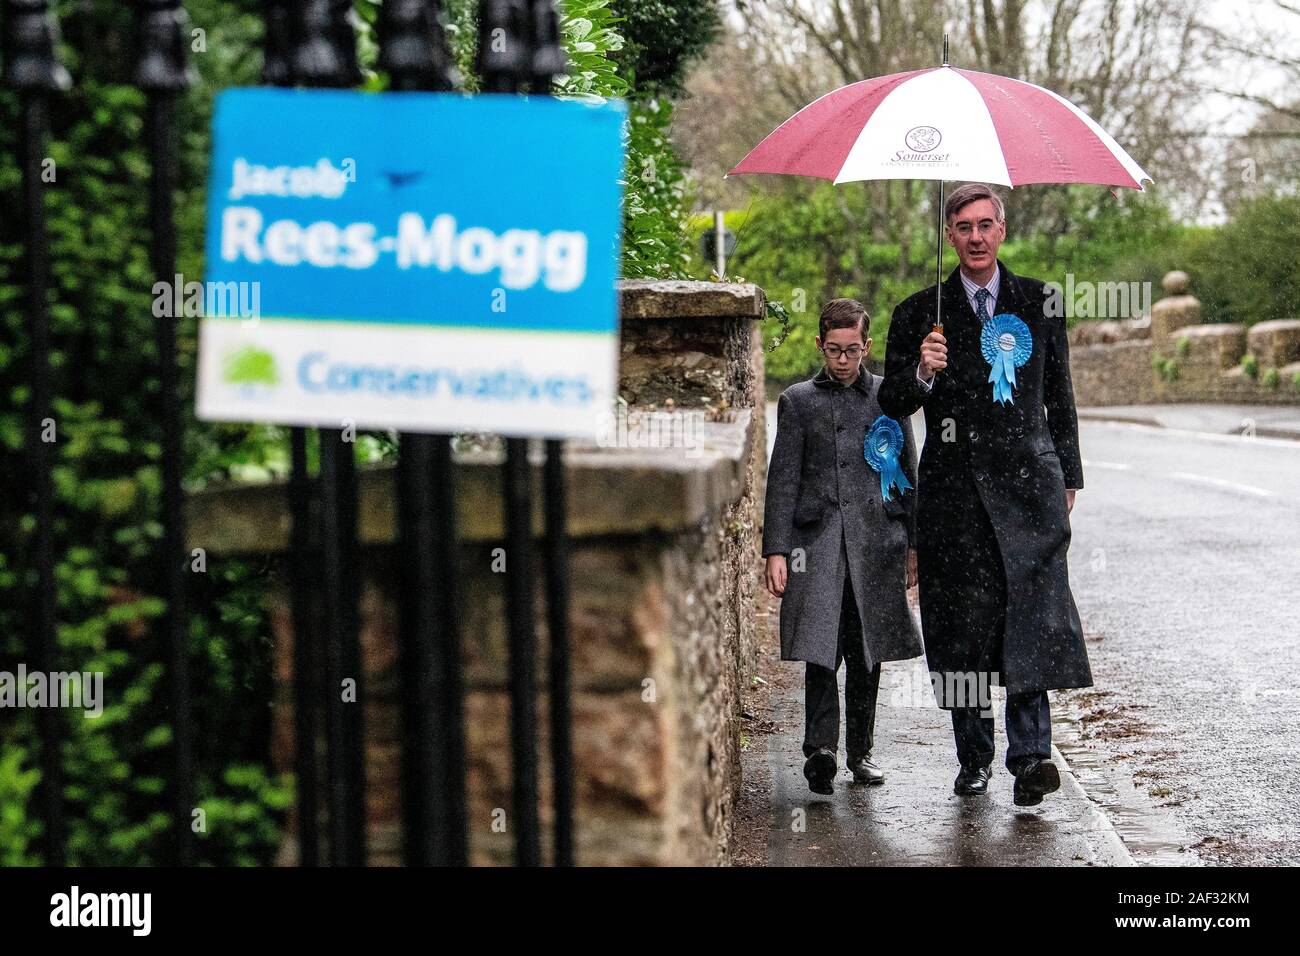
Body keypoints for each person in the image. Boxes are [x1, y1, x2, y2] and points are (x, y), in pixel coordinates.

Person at [878, 182, 1092, 807]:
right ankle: (973, 757)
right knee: (962, 628)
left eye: (984, 225)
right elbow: (890, 405)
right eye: (962, 227)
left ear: (1002, 230)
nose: (974, 237)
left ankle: (1031, 759)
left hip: (1029, 487)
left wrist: (1068, 474)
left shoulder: (1040, 301)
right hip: (953, 497)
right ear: (949, 235)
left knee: (1032, 613)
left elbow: (1061, 394)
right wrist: (922, 371)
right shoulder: (919, 312)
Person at [762, 298, 922, 795]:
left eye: (852, 350)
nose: (843, 360)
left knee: (866, 652)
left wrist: (914, 546)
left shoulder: (888, 397)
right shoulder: (798, 401)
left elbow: (909, 475)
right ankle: (821, 751)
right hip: (819, 545)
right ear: (819, 345)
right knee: (820, 651)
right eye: (834, 350)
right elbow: (782, 481)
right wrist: (776, 550)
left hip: (877, 544)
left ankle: (862, 753)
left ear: (867, 346)